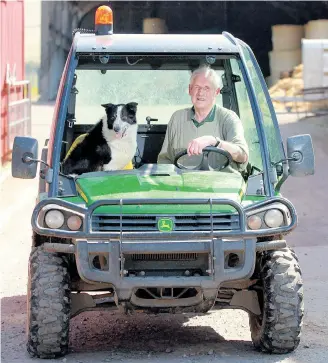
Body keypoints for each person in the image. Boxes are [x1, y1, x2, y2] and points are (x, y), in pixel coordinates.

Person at [157, 65, 249, 172]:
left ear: (216, 92)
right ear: (190, 90)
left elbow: (242, 156)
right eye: (197, 87)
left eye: (206, 88)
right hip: (183, 184)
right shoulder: (177, 118)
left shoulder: (229, 119)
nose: (201, 92)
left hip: (221, 185)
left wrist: (215, 142)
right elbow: (164, 161)